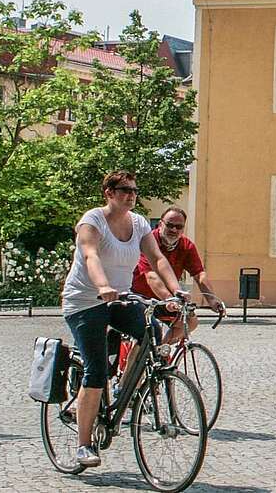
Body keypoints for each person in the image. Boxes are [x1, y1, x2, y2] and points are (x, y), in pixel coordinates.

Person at [61, 171, 186, 468]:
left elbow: (157, 258)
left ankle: (122, 392)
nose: (131, 195)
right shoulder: (92, 221)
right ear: (108, 192)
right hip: (84, 302)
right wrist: (103, 286)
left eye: (133, 190)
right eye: (124, 190)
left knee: (152, 333)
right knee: (96, 370)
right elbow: (90, 255)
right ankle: (83, 445)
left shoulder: (140, 223)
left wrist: (177, 290)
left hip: (121, 299)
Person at [133, 207, 225, 346]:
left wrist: (212, 299)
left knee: (190, 322)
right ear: (160, 224)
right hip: (141, 298)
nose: (174, 230)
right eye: (170, 225)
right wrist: (169, 298)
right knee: (147, 334)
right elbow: (151, 277)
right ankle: (137, 363)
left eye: (179, 227)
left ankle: (160, 352)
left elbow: (199, 274)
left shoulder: (186, 246)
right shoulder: (148, 242)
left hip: (168, 299)